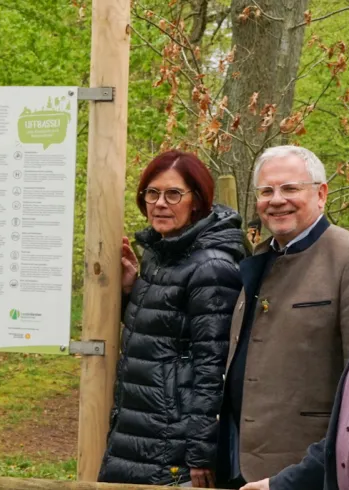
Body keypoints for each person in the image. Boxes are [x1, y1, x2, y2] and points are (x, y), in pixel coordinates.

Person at [217, 145, 349, 488]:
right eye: (266, 191)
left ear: (321, 194)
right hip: (240, 461)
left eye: (290, 188)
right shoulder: (262, 258)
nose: (276, 200)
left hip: (307, 468)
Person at [98, 150, 246, 487]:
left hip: (172, 439)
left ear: (196, 200)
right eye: (152, 193)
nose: (160, 203)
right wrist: (131, 290)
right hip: (142, 425)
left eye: (173, 194)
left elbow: (213, 367)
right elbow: (163, 332)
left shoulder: (211, 266)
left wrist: (199, 454)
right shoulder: (161, 252)